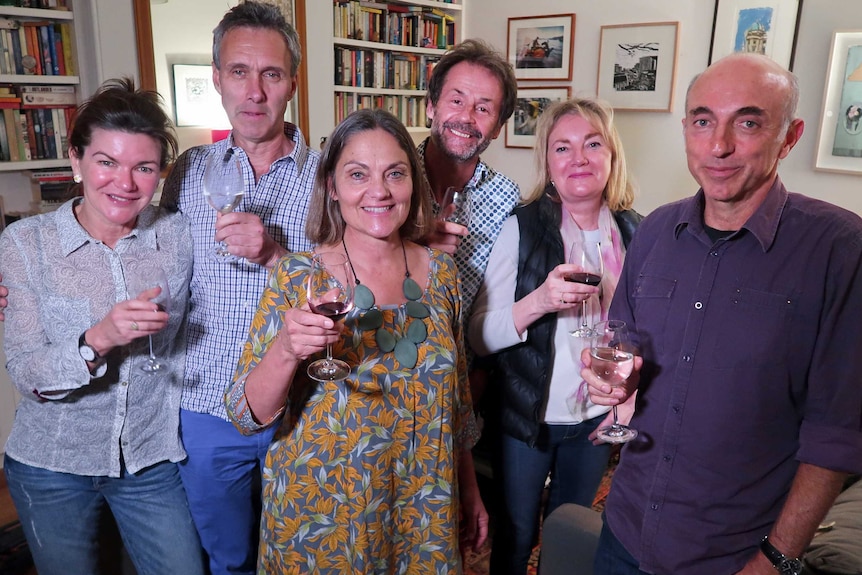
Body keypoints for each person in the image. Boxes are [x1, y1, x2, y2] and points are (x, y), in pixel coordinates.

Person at [585, 53, 862, 575]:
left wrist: (777, 559)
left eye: (749, 122)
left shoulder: (839, 249)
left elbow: (839, 430)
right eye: (704, 121)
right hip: (624, 530)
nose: (719, 146)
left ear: (790, 136)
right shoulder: (654, 231)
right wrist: (613, 386)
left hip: (733, 556)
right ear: (687, 128)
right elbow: (623, 344)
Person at [224, 108, 487, 572]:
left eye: (395, 174)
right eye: (358, 174)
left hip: (421, 511)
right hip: (323, 517)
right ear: (332, 186)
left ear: (413, 183)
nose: (379, 191)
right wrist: (286, 349)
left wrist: (469, 489)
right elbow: (248, 415)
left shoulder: (443, 274)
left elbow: (457, 402)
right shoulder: (297, 276)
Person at [0, 78, 203, 575]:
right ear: (76, 161)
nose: (125, 183)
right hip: (51, 464)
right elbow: (28, 374)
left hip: (150, 459)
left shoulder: (176, 233)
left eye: (144, 168)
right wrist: (98, 339)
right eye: (107, 162)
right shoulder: (25, 244)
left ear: (160, 175)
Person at [157, 2, 320, 573]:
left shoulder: (329, 174)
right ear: (216, 78)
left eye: (271, 74)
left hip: (303, 406)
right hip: (205, 405)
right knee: (226, 559)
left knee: (306, 554)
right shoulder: (186, 170)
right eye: (238, 72)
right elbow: (132, 247)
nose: (254, 91)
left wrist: (276, 253)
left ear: (292, 83)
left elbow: (352, 281)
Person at [469, 98, 641, 575]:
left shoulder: (637, 233)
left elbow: (644, 332)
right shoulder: (520, 230)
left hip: (594, 422)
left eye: (592, 144)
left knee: (568, 534)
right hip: (528, 421)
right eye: (562, 147)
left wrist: (626, 398)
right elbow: (480, 336)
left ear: (612, 156)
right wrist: (539, 301)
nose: (579, 159)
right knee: (517, 534)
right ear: (547, 160)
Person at [421, 38, 520, 322]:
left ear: (498, 128)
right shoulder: (389, 178)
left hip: (463, 357)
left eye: (483, 109)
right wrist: (411, 248)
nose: (466, 117)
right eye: (456, 100)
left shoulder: (507, 199)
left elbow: (500, 304)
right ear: (431, 106)